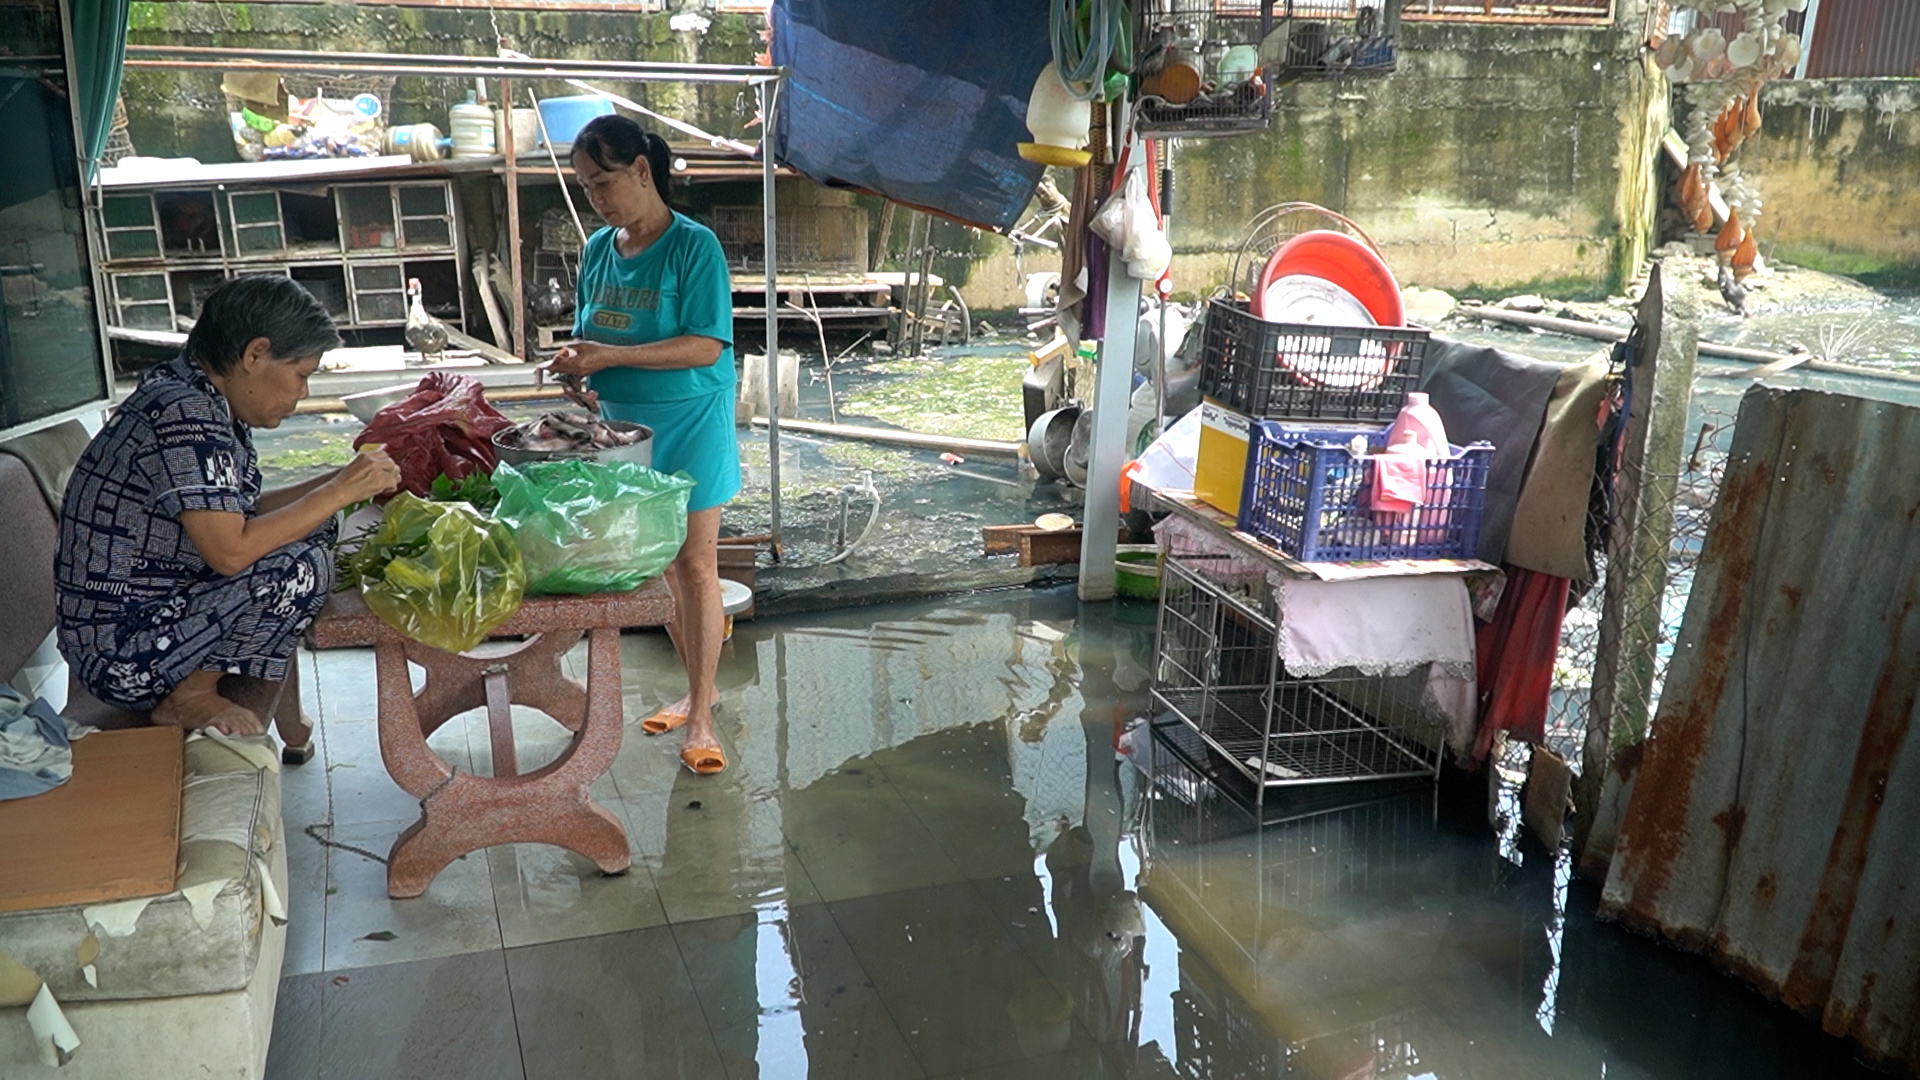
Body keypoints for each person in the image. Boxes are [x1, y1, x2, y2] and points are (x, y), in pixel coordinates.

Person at [56, 275, 401, 736]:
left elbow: (244, 513)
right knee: (301, 565)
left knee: (313, 528)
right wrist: (337, 493)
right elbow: (230, 552)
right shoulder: (185, 415)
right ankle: (189, 696)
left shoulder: (196, 397)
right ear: (254, 354)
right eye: (301, 374)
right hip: (123, 652)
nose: (302, 393)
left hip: (152, 620)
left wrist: (343, 480)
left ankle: (199, 681)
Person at [548, 114, 740, 776]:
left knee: (695, 565)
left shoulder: (695, 246)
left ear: (641, 171)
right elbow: (590, 334)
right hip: (626, 427)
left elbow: (704, 344)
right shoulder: (600, 249)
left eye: (603, 183)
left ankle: (704, 712)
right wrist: (579, 367)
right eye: (585, 188)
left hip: (692, 417)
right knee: (657, 561)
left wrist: (609, 354)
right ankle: (700, 679)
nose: (597, 200)